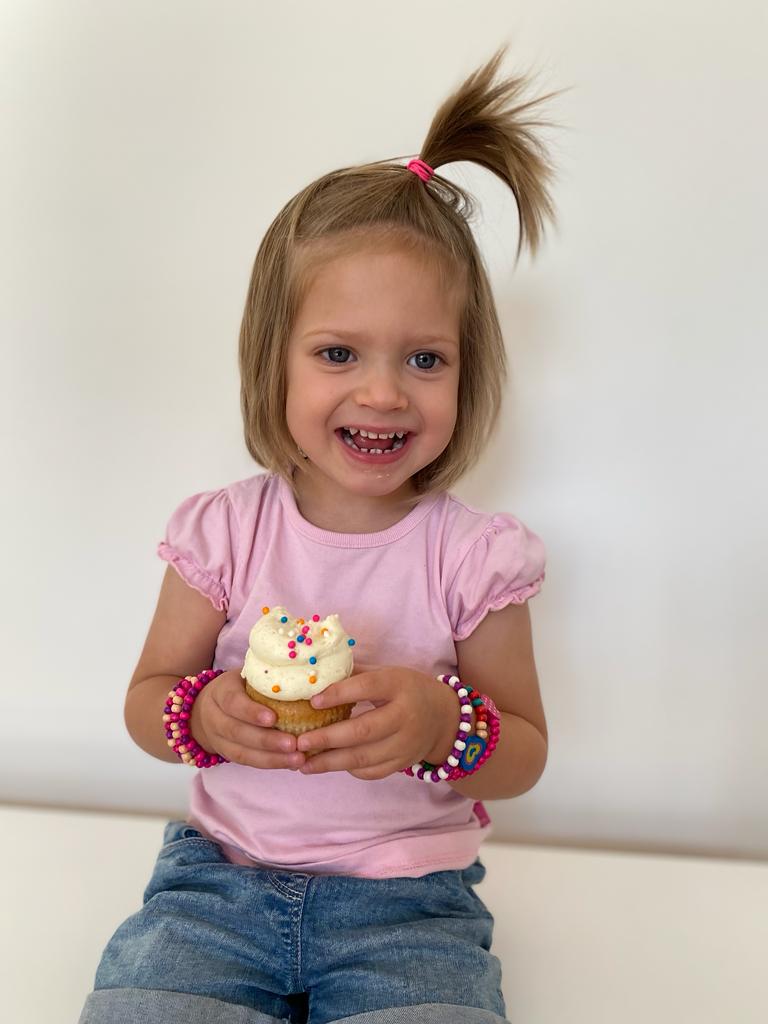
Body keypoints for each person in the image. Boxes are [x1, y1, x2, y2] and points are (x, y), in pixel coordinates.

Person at [79, 43, 559, 1024]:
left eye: (425, 358)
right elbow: (144, 701)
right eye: (339, 352)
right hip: (218, 883)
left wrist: (442, 724)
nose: (383, 392)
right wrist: (203, 715)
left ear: (468, 373)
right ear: (275, 362)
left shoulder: (473, 557)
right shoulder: (222, 534)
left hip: (408, 902)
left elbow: (526, 749)